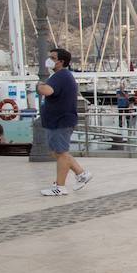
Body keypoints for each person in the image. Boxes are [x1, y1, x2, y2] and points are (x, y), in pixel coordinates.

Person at [36, 48, 90, 196]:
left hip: (60, 121)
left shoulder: (61, 76)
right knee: (58, 152)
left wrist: (38, 85)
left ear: (61, 61)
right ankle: (81, 174)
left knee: (61, 153)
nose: (49, 60)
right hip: (57, 121)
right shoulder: (61, 76)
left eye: (52, 58)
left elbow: (47, 91)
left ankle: (60, 186)